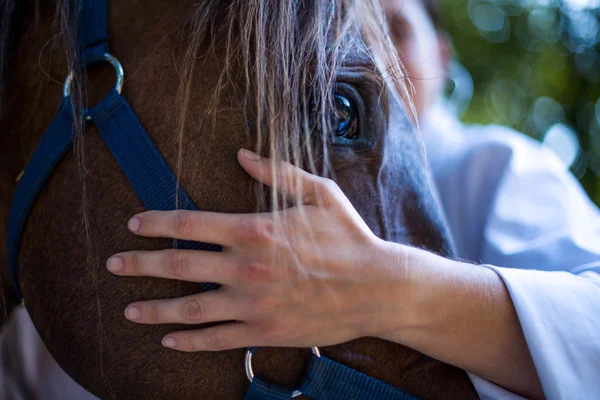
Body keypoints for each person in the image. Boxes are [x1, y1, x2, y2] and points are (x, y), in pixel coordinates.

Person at [1, 0, 598, 399]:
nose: (310, 43)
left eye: (394, 30)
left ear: (443, 55)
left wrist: (392, 291)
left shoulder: (492, 167)